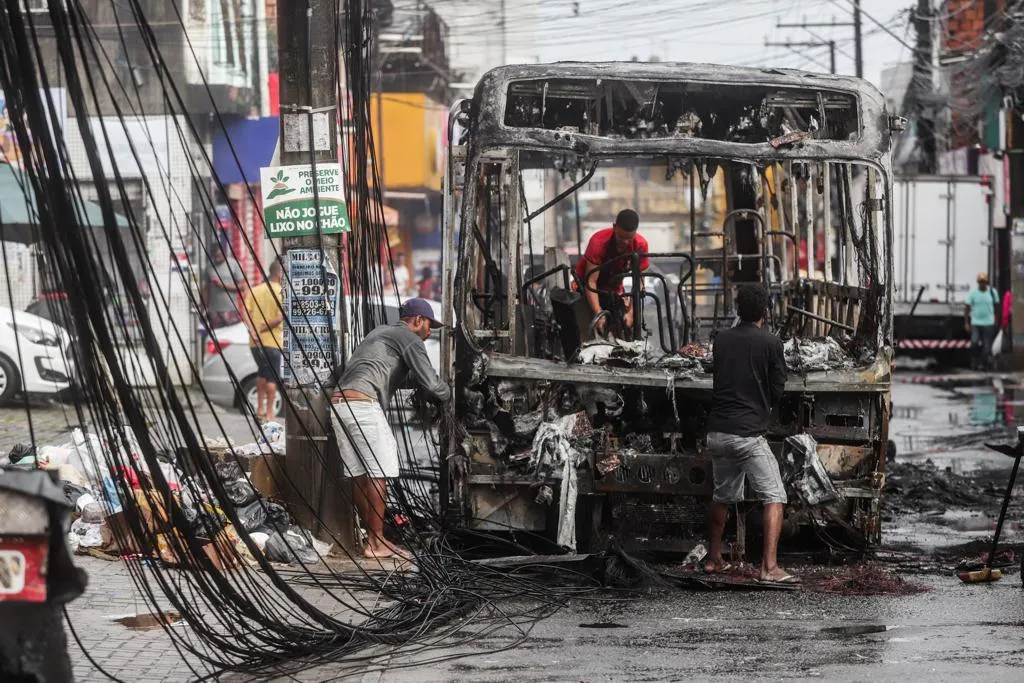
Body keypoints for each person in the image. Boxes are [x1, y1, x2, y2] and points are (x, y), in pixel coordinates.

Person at [330, 298, 450, 560]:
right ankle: (377, 542)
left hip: (340, 404)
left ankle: (368, 536)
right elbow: (432, 384)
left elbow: (397, 375)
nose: (429, 333)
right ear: (417, 320)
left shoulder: (380, 333)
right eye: (429, 325)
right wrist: (449, 393)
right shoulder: (410, 338)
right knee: (379, 472)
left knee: (360, 474)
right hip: (363, 404)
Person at [703, 283, 797, 585]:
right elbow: (778, 387)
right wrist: (764, 406)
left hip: (717, 432)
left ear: (737, 309)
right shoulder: (771, 343)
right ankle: (769, 567)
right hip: (747, 435)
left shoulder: (721, 340)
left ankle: (714, 560)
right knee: (774, 497)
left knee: (722, 496)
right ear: (765, 312)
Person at [574, 208, 649, 336]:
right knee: (582, 326)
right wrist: (598, 313)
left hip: (613, 287)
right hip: (585, 286)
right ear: (614, 227)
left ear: (635, 233)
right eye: (621, 237)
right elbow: (591, 281)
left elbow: (640, 283)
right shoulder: (598, 242)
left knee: (622, 324)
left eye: (629, 238)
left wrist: (631, 313)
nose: (625, 242)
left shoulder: (641, 245)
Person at [243, 259, 284, 422]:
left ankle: (259, 409)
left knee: (261, 372)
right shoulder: (281, 291)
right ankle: (270, 413)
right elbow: (280, 317)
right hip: (272, 342)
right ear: (279, 273)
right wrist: (261, 329)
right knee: (272, 376)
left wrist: (252, 329)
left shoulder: (256, 290)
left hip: (255, 343)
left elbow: (245, 311)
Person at [964, 272, 999, 371]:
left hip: (988, 323)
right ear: (978, 283)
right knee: (974, 342)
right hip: (976, 323)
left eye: (984, 282)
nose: (982, 284)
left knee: (987, 347)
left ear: (987, 282)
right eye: (980, 282)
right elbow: (967, 308)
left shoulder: (992, 292)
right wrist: (966, 322)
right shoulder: (973, 293)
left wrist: (996, 319)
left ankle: (982, 363)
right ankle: (974, 360)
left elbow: (997, 307)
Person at [207, 245, 246, 328]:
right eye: (215, 256)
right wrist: (204, 307)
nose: (216, 258)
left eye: (219, 255)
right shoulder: (209, 266)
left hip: (230, 309)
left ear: (225, 254)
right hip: (214, 311)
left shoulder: (233, 264)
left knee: (231, 336)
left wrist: (223, 285)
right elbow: (206, 289)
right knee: (216, 337)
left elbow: (242, 287)